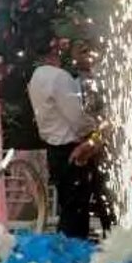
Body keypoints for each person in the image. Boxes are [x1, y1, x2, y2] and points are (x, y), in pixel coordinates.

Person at [29, 42, 99, 238]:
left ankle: (67, 251)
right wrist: (96, 129)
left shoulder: (36, 76)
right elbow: (77, 117)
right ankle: (74, 253)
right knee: (76, 209)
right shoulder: (59, 77)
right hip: (73, 149)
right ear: (54, 52)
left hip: (53, 148)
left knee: (67, 206)